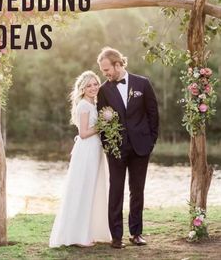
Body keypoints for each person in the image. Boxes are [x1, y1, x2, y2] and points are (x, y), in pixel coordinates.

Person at [97, 47, 159, 249]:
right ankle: (116, 237)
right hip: (116, 149)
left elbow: (153, 114)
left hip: (141, 147)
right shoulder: (104, 90)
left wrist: (151, 141)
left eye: (107, 69)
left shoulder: (143, 83)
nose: (104, 74)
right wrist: (109, 145)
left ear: (118, 64)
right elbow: (102, 121)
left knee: (137, 190)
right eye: (102, 70)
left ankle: (136, 233)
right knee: (116, 190)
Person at [49, 70, 111, 247]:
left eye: (95, 84)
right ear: (82, 89)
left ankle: (89, 231)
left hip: (95, 150)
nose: (93, 88)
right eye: (89, 85)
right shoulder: (84, 105)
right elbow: (83, 133)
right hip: (86, 151)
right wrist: (102, 126)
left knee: (92, 189)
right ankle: (77, 235)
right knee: (83, 189)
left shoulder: (94, 104)